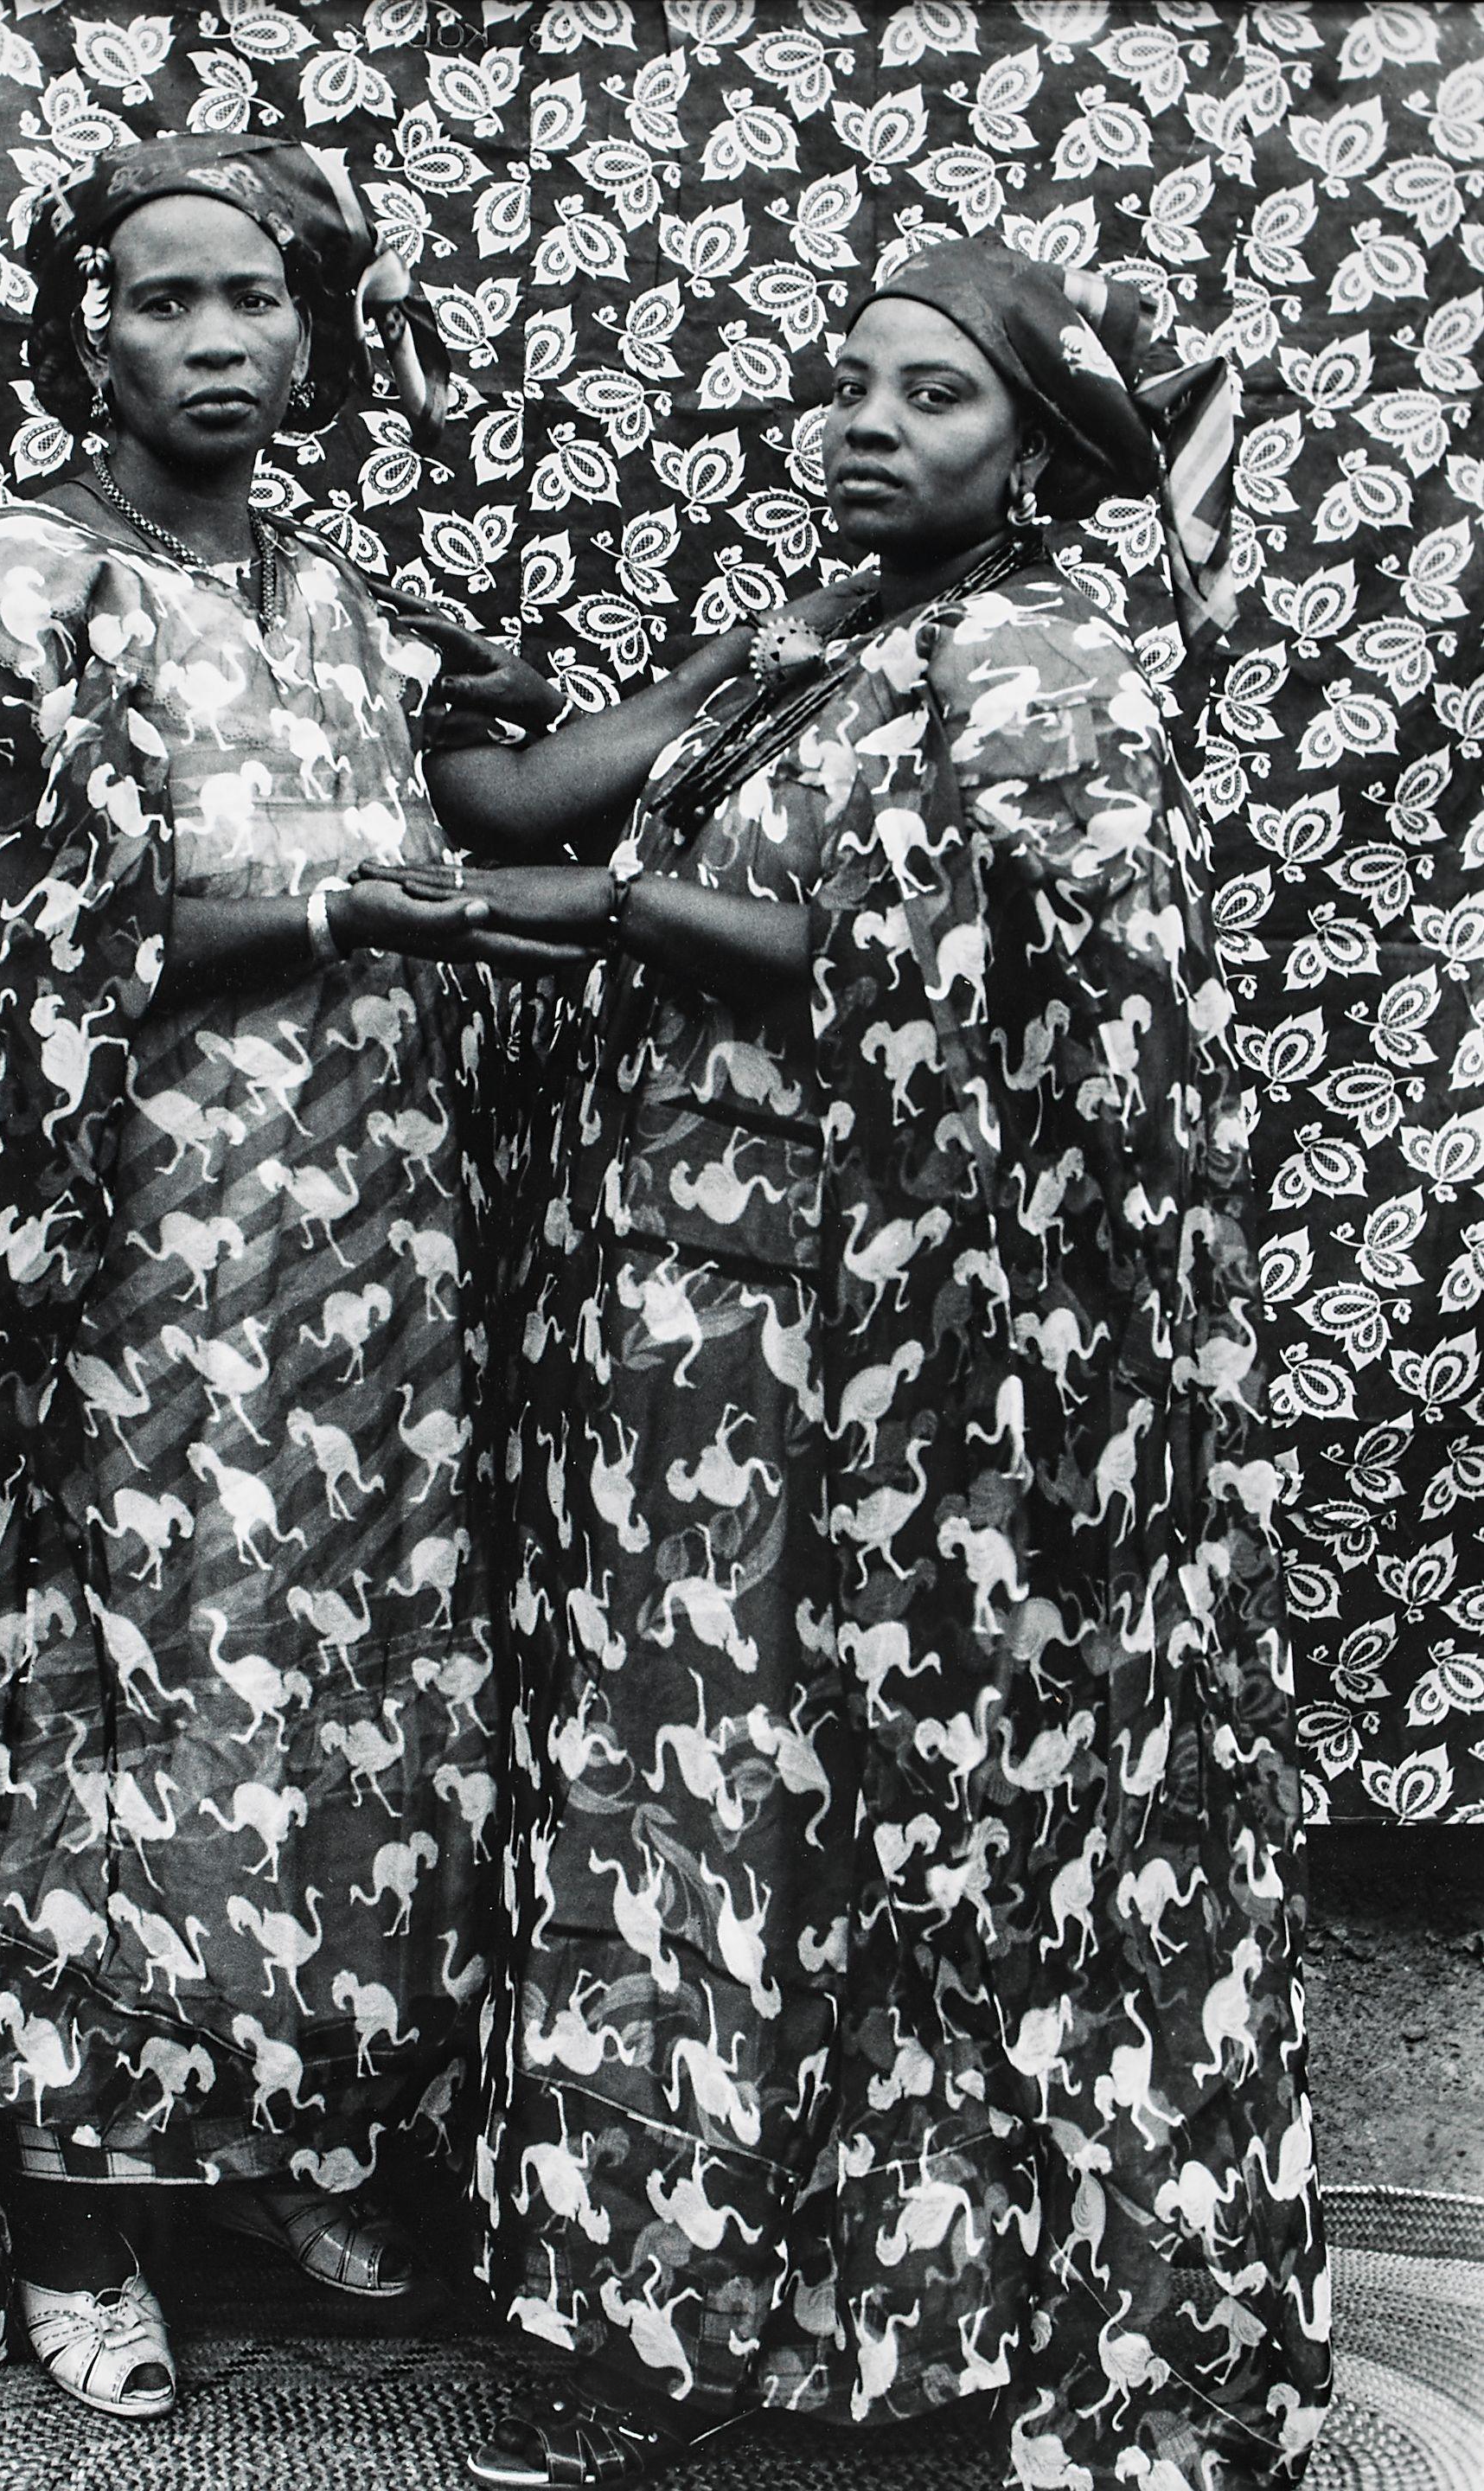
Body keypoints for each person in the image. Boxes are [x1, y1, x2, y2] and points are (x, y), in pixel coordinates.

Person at [0, 131, 850, 2417]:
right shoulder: (18, 581)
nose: (214, 342)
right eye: (165, 301)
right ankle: (66, 2205)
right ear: (90, 322)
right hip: (102, 1264)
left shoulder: (324, 593)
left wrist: (777, 650)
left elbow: (510, 812)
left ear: (320, 323)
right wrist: (350, 918)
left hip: (347, 1276)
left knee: (311, 1724)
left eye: (254, 301)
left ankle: (257, 2139)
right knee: (102, 1716)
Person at [367, 240, 1332, 2489]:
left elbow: (988, 992)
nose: (869, 427)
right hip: (673, 1331)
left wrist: (617, 918)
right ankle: (657, 2320)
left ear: (1036, 455)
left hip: (895, 1336)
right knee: (677, 1794)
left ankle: (919, 2310)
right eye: (852, 385)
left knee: (860, 1799)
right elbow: (531, 811)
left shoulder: (1037, 667)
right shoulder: (817, 632)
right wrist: (461, 705)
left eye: (934, 397)